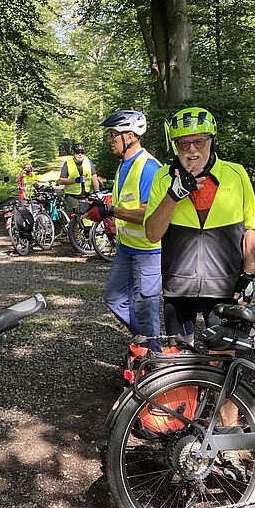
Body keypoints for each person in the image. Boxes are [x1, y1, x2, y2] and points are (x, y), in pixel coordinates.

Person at [145, 107, 255, 345]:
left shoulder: (235, 174)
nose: (191, 150)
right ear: (174, 147)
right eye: (183, 143)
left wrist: (248, 275)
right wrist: (174, 195)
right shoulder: (162, 177)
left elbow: (252, 228)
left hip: (223, 285)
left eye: (199, 141)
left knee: (222, 358)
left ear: (211, 141)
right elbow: (152, 234)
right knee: (179, 360)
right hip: (179, 287)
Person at [87, 111, 162, 339]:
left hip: (148, 250)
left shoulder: (148, 167)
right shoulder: (125, 165)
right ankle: (145, 339)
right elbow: (125, 202)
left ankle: (153, 355)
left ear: (128, 136)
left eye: (113, 135)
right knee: (114, 298)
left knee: (145, 305)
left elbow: (149, 215)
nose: (111, 140)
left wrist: (109, 210)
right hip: (126, 247)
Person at [57, 142, 101, 212]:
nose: (80, 154)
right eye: (77, 152)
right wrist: (76, 180)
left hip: (86, 196)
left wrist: (97, 191)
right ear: (74, 153)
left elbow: (94, 177)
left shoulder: (88, 162)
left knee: (87, 218)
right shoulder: (68, 163)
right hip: (72, 197)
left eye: (82, 152)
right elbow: (61, 181)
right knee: (76, 218)